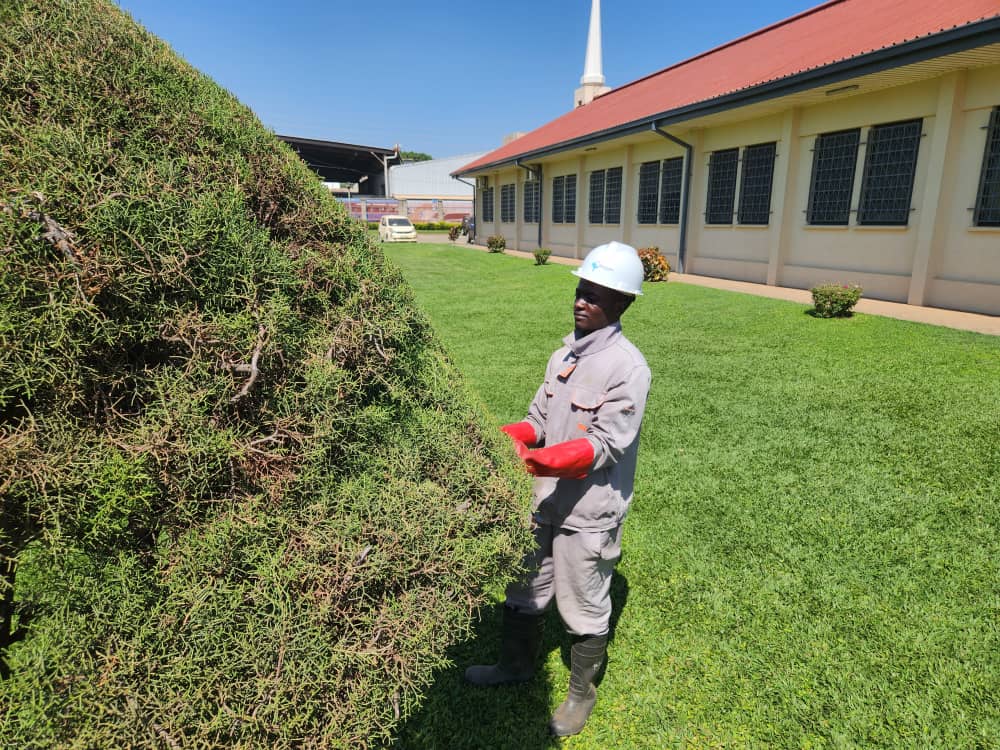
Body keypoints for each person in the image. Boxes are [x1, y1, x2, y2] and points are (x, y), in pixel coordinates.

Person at [465, 241, 651, 737]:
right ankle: (515, 665)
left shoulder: (628, 368)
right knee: (524, 586)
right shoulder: (562, 355)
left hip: (588, 512)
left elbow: (604, 445)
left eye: (595, 295)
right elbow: (537, 420)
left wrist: (534, 461)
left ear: (622, 303)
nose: (581, 301)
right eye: (580, 290)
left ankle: (581, 694)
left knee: (582, 604)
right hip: (543, 501)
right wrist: (494, 438)